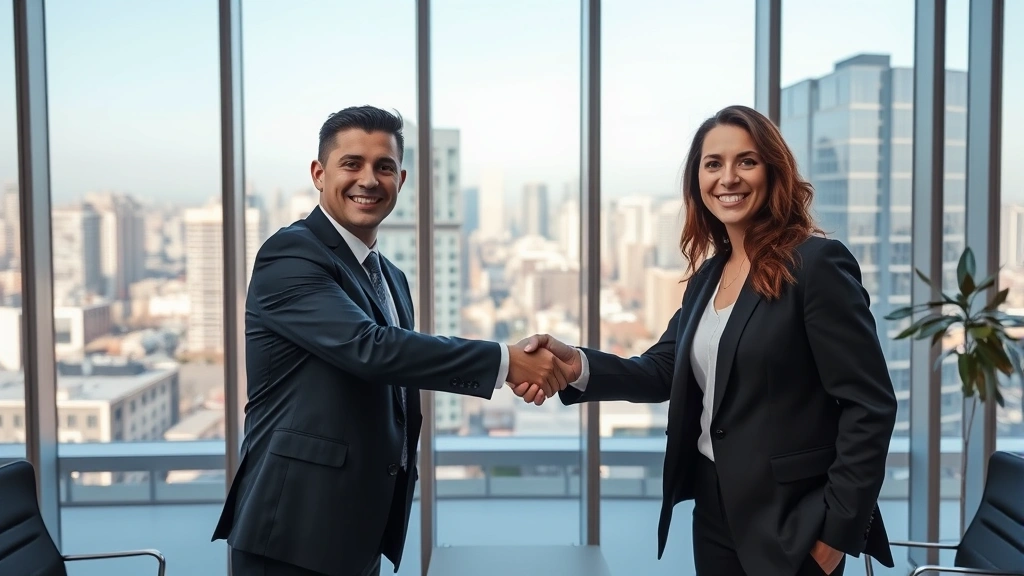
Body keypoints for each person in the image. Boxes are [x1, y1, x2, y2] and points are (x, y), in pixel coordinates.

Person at [515, 105, 898, 576]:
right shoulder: (708, 277)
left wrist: (833, 536)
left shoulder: (816, 266)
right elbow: (662, 369)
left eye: (747, 161)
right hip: (714, 509)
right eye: (713, 164)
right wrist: (577, 365)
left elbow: (870, 405)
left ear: (773, 172)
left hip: (792, 518)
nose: (728, 178)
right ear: (698, 179)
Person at [212, 105, 577, 576]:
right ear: (319, 174)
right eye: (352, 164)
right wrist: (505, 363)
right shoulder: (291, 254)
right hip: (291, 533)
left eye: (384, 167)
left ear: (401, 180)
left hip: (358, 530)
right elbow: (372, 350)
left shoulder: (392, 277)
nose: (369, 179)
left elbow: (398, 374)